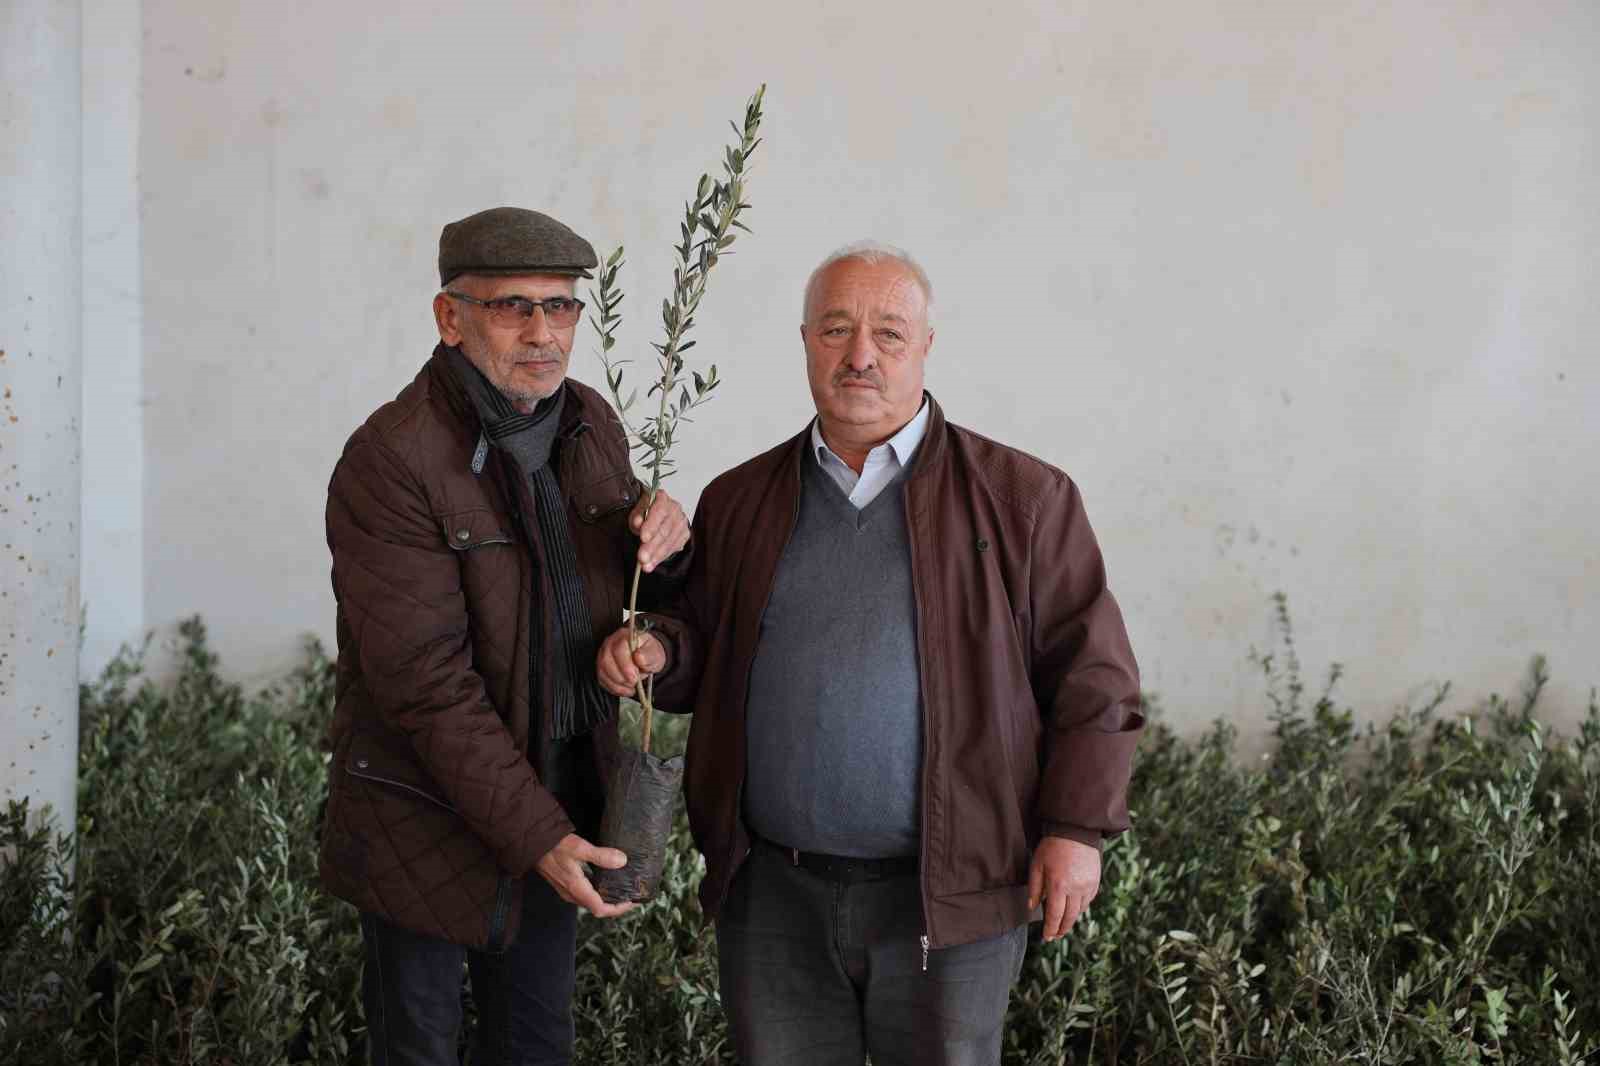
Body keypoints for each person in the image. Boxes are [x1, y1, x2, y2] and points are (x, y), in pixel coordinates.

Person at [597, 242, 1144, 1066]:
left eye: (889, 333)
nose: (860, 355)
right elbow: (707, 642)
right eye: (837, 329)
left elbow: (1094, 680)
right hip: (773, 890)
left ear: (928, 346)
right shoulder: (741, 498)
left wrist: (1076, 830)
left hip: (949, 895)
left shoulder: (1024, 500)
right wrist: (655, 653)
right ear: (806, 341)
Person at [318, 206, 690, 1066]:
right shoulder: (391, 459)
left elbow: (624, 599)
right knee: (421, 1049)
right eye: (511, 306)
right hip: (430, 821)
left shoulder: (588, 421)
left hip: (552, 801)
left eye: (561, 307)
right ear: (450, 319)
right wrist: (538, 836)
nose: (542, 332)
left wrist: (666, 553)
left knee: (535, 1047)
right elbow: (425, 686)